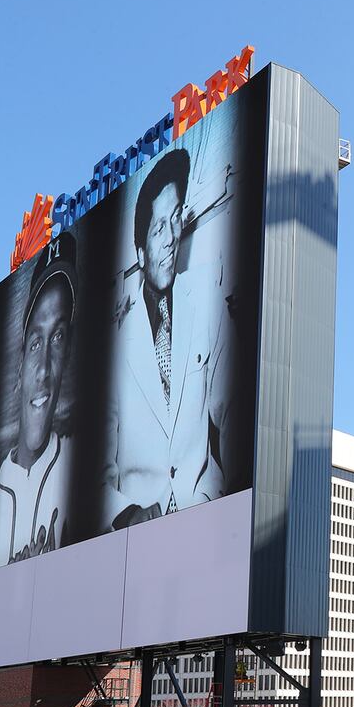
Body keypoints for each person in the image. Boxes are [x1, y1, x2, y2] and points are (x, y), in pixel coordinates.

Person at [105, 147, 234, 528]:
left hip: (205, 522)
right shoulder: (113, 344)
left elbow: (235, 413)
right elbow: (95, 471)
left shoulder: (208, 304)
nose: (170, 238)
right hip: (136, 543)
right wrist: (126, 514)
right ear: (141, 252)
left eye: (174, 219)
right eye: (158, 227)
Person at [0, 234, 77, 568]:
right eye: (36, 343)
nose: (44, 371)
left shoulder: (79, 469)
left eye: (58, 338)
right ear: (20, 366)